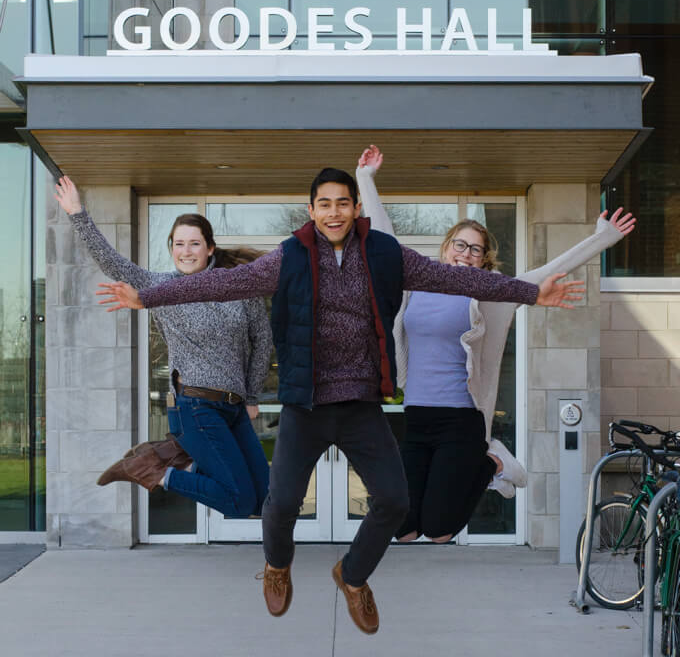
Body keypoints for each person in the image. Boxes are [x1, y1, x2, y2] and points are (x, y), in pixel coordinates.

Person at [95, 166, 584, 635]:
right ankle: (277, 566)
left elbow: (456, 278)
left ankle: (352, 576)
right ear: (311, 209)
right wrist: (149, 297)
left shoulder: (387, 254)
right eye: (324, 203)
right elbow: (224, 281)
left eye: (343, 203)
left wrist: (529, 292)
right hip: (305, 407)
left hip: (360, 406)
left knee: (394, 501)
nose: (333, 212)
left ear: (354, 209)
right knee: (279, 503)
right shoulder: (289, 256)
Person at [355, 144, 635, 543]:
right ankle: (482, 464)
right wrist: (365, 178)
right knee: (403, 529)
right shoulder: (413, 281)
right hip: (416, 415)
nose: (467, 254)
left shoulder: (488, 296)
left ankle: (491, 462)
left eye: (476, 249)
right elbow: (383, 236)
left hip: (461, 420)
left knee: (439, 531)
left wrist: (599, 240)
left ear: (484, 260)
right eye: (461, 244)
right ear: (447, 246)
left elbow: (544, 273)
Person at [54, 176, 272, 519]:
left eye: (194, 244)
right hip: (195, 406)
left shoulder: (238, 285)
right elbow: (113, 263)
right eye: (179, 244)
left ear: (210, 248)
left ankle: (175, 457)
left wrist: (253, 396)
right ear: (171, 248)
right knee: (241, 502)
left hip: (234, 407)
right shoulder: (161, 287)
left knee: (264, 498)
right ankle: (153, 471)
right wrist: (78, 213)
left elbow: (262, 341)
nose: (186, 252)